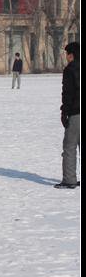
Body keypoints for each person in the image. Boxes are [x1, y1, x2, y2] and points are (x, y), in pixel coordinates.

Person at [56, 41, 80, 189]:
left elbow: (68, 93)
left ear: (71, 55)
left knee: (70, 146)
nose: (66, 57)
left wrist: (64, 112)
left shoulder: (70, 69)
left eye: (66, 54)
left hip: (76, 113)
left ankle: (69, 180)